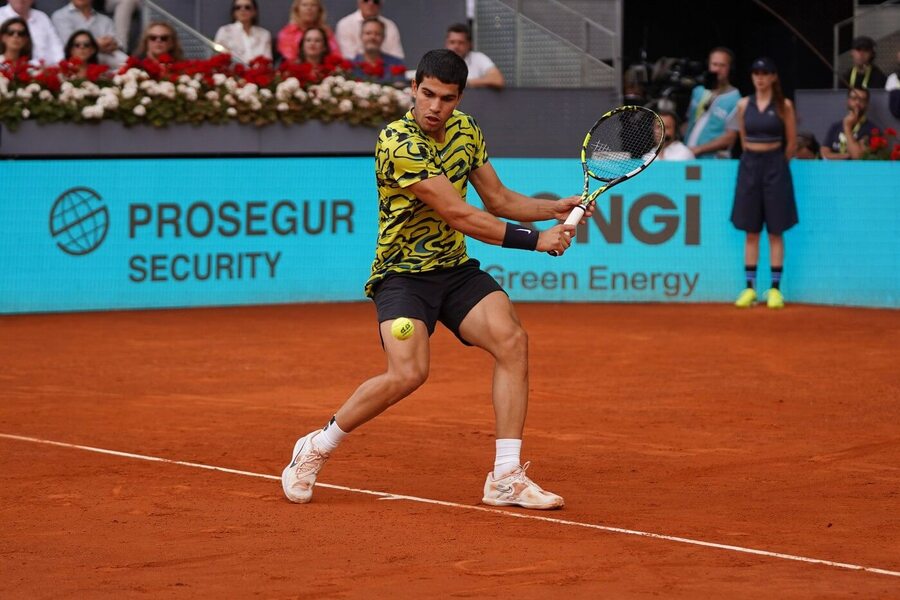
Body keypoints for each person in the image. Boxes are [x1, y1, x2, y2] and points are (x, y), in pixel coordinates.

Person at [281, 49, 586, 510]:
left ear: (459, 98)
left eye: (446, 98)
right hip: (401, 276)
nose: (434, 107)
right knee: (409, 372)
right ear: (413, 88)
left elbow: (498, 198)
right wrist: (536, 240)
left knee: (512, 341)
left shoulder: (466, 131)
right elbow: (459, 213)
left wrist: (553, 208)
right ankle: (317, 446)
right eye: (427, 94)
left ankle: (505, 475)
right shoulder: (397, 142)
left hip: (454, 271)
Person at [731, 57, 797, 310]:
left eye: (765, 73)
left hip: (775, 167)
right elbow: (743, 139)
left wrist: (777, 164)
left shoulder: (784, 106)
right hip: (750, 166)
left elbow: (791, 142)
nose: (759, 77)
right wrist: (754, 160)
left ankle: (775, 290)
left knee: (776, 231)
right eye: (755, 73)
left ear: (773, 77)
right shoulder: (742, 105)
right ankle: (749, 289)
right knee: (751, 231)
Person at [683, 47, 740, 159]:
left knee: (699, 177)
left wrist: (699, 149)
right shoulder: (698, 91)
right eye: (714, 64)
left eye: (722, 65)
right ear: (709, 66)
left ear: (730, 68)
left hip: (712, 160)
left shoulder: (736, 99)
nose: (717, 69)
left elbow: (730, 137)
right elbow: (688, 123)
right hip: (688, 156)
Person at [51, 0, 126, 68]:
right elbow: (70, 44)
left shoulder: (105, 20)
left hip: (107, 59)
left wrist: (111, 44)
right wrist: (96, 44)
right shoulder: (60, 16)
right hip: (77, 65)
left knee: (126, 63)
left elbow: (116, 42)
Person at [820, 87, 879, 160]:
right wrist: (847, 155)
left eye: (861, 100)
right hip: (834, 169)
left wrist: (847, 127)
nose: (857, 103)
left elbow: (857, 157)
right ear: (848, 101)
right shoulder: (835, 127)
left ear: (867, 105)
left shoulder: (872, 130)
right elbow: (824, 154)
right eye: (854, 98)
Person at [335, 0, 403, 61]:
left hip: (386, 71)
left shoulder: (390, 26)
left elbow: (397, 56)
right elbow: (349, 57)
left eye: (376, 1)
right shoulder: (345, 24)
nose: (371, 4)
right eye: (366, 0)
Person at [0, 0, 63, 65]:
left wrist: (59, 66)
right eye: (11, 32)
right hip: (9, 68)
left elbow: (56, 47)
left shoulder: (42, 17)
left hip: (47, 69)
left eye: (21, 33)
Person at [444, 22, 503, 89]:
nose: (456, 46)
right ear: (446, 44)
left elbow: (497, 80)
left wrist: (467, 83)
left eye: (461, 42)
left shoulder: (478, 58)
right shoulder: (439, 60)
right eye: (452, 42)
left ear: (469, 45)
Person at [351, 16, 405, 86]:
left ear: (383, 37)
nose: (372, 37)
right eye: (368, 33)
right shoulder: (351, 67)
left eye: (377, 34)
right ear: (361, 36)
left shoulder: (396, 64)